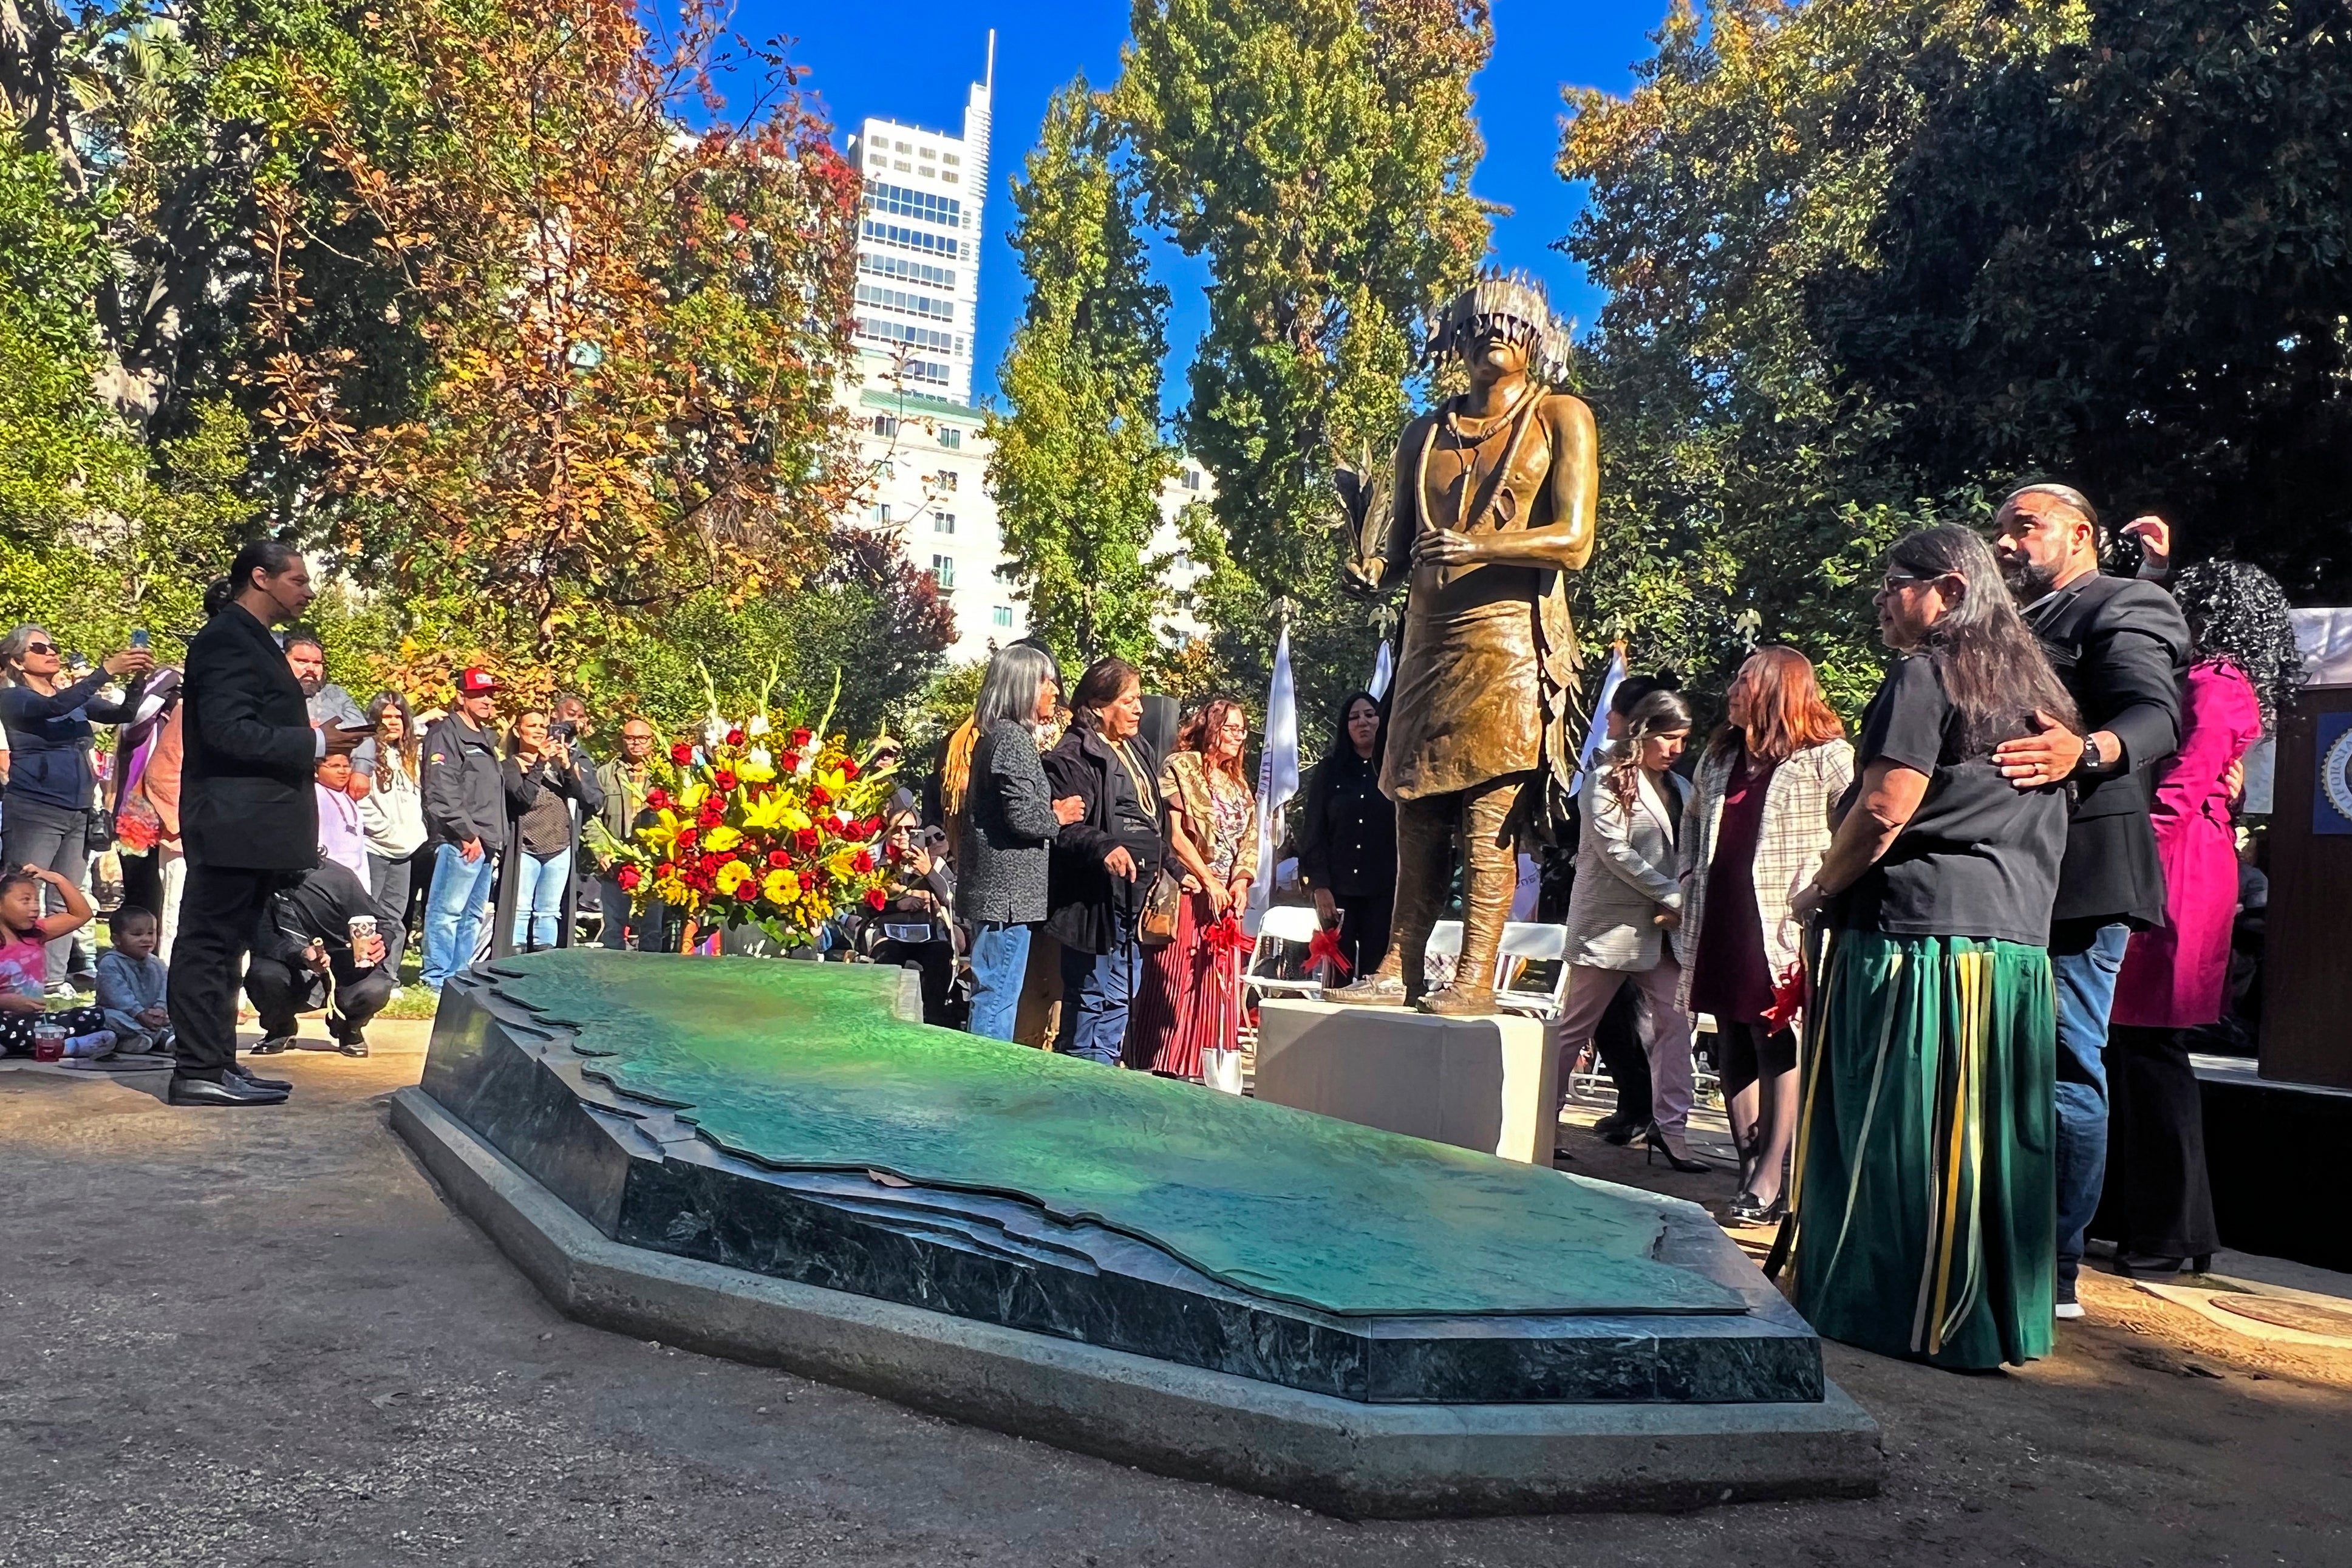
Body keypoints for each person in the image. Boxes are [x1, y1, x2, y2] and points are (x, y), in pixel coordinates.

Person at [1785, 524, 2076, 1370]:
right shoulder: (2035, 685)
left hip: (1922, 944)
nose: (1880, 599)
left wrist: (1823, 886)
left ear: (1947, 589)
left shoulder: (1925, 672)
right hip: (2012, 949)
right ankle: (1985, 1319)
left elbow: (1884, 806)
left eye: (1892, 583)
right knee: (1991, 1140)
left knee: (1901, 1131)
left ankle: (1892, 1310)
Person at [1330, 274, 1597, 1015]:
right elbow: (1405, 548)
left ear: (1538, 339)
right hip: (1427, 647)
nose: (1496, 337)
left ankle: (1475, 973)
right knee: (1414, 815)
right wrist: (1371, 569)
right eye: (1481, 325)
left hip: (1512, 647)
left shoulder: (1561, 416)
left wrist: (1479, 544)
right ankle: (1397, 964)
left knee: (1489, 819)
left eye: (1513, 325)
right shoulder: (1426, 432)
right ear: (1457, 339)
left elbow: (1575, 541)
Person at [1988, 483, 2192, 1321]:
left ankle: (2053, 1263)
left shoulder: (2123, 601)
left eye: (2023, 526)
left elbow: (2155, 714)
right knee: (2002, 1062)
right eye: (1998, 528)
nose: (2004, 541)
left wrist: (2090, 750)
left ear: (2081, 535)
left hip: (2083, 876)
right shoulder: (2010, 624)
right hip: (2006, 873)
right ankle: (1990, 1240)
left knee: (2068, 1061)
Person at [2101, 559, 2303, 1277]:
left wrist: (2127, 868)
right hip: (2187, 864)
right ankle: (2155, 1223)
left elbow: (2181, 788)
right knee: (2137, 1049)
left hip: (2173, 873)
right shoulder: (2228, 683)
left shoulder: (2213, 681)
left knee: (2150, 1050)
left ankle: (2170, 1230)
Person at [167, 539, 369, 1106]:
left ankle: (218, 1063)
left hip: (252, 828)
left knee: (230, 947)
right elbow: (228, 732)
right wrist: (315, 740)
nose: (308, 591)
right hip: (234, 822)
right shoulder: (226, 639)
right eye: (298, 580)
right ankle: (197, 1069)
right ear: (260, 577)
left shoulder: (252, 640)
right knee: (208, 946)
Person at [1674, 649, 1852, 1224]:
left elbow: (1857, 830)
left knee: (1774, 1033)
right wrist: (1684, 873)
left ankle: (1774, 1173)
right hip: (1720, 911)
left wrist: (1821, 888)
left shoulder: (1826, 758)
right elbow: (1694, 820)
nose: (1731, 689)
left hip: (1781, 919)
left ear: (1777, 690)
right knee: (1730, 1033)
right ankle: (1748, 1163)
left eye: (1743, 680)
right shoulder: (1720, 755)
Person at [1547, 690, 1702, 1169]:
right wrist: (1674, 894)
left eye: (1683, 739)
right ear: (1642, 732)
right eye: (1668, 738)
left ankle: (1671, 1130)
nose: (1676, 748)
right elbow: (1616, 852)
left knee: (1678, 1026)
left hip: (1668, 935)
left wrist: (1691, 894)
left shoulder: (1684, 788)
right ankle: (1540, 1122)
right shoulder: (1603, 782)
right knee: (1574, 1029)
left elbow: (1694, 851)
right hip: (1609, 929)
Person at [0, 625, 152, 989]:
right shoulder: (13, 698)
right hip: (34, 808)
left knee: (65, 896)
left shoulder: (71, 696)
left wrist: (137, 679)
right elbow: (53, 707)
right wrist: (105, 670)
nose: (52, 652)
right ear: (18, 661)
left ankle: (52, 981)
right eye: (40, 648)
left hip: (79, 811)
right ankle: (17, 980)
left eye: (54, 646)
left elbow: (122, 714)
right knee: (23, 894)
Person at [1129, 698, 1258, 1080]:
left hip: (1225, 902)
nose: (1238, 736)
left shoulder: (1238, 782)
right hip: (1189, 892)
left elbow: (1249, 839)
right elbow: (1174, 836)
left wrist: (1240, 881)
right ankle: (1163, 1064)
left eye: (1242, 730)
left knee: (1215, 983)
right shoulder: (1181, 767)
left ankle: (1207, 1069)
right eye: (1230, 728)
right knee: (1178, 977)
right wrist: (1209, 880)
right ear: (1210, 728)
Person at [1042, 658, 1161, 1066]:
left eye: (1139, 700)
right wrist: (1104, 847)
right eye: (1128, 700)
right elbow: (1067, 825)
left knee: (1122, 990)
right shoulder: (1073, 754)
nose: (1138, 709)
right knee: (1091, 991)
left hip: (1136, 896)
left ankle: (1105, 1070)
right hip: (1095, 898)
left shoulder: (1137, 748)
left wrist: (1176, 870)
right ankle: (1079, 1078)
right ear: (1097, 703)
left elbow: (1151, 817)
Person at [958, 645, 1080, 1040]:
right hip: (1006, 899)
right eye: (1047, 682)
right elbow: (1022, 817)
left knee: (994, 995)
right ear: (1023, 687)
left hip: (1002, 896)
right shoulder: (1011, 740)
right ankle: (985, 1090)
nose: (1055, 692)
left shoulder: (998, 736)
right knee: (996, 998)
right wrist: (1057, 817)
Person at [244, 860, 394, 1057]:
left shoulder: (336, 878)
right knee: (263, 974)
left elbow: (381, 922)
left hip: (342, 970)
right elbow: (261, 937)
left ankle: (349, 1028)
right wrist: (300, 954)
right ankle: (280, 1027)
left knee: (376, 987)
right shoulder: (257, 880)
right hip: (291, 968)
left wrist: (381, 942)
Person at [1296, 691, 1397, 981]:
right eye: (1354, 717)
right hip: (1337, 893)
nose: (1363, 722)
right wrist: (1320, 885)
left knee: (1375, 975)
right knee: (1335, 978)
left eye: (1369, 715)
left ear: (1382, 720)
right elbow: (1313, 830)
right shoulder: (1330, 771)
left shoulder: (1396, 769)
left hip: (1383, 891)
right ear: (1346, 726)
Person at [419, 668, 506, 993]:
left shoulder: (484, 736)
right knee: (447, 912)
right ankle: (437, 977)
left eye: (489, 694)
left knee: (471, 916)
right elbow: (440, 791)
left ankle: (460, 977)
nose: (486, 700)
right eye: (477, 695)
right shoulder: (445, 734)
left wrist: (487, 840)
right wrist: (466, 834)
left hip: (486, 841)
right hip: (461, 841)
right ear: (460, 697)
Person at [502, 709, 601, 952]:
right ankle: (515, 961)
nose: (538, 731)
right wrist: (539, 764)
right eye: (532, 725)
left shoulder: (556, 767)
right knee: (521, 908)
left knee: (549, 911)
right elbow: (523, 797)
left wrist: (567, 767)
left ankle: (542, 964)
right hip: (526, 846)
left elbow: (586, 800)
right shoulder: (509, 765)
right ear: (518, 731)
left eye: (542, 726)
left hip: (559, 846)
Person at [856, 794, 959, 1025]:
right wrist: (896, 903)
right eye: (897, 830)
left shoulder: (933, 862)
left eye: (910, 829)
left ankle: (935, 1021)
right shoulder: (876, 862)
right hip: (888, 934)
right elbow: (861, 904)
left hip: (928, 934)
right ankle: (883, 1022)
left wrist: (928, 872)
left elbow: (952, 899)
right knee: (888, 960)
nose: (903, 835)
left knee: (940, 958)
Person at [0, 865, 115, 1058]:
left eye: (36, 900)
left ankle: (23, 1046)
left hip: (35, 1022)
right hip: (4, 1021)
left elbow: (80, 915)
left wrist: (57, 879)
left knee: (99, 1016)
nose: (35, 907)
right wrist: (5, 1002)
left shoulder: (35, 934)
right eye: (25, 900)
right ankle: (68, 1047)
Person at [356, 691, 428, 958]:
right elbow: (361, 802)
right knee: (368, 915)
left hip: (404, 850)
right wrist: (387, 831)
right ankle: (363, 973)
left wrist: (410, 835)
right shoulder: (364, 755)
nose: (394, 722)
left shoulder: (408, 756)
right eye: (387, 716)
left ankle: (389, 975)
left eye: (399, 716)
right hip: (374, 847)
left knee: (395, 919)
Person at [593, 716, 669, 952]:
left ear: (652, 741)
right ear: (622, 741)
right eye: (630, 738)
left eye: (642, 738)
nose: (636, 743)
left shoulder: (665, 775)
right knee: (614, 929)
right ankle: (614, 981)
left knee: (652, 930)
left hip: (653, 863)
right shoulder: (605, 775)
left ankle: (648, 982)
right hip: (615, 862)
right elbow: (593, 818)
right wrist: (601, 850)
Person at [282, 627, 375, 781]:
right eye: (302, 661)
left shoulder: (335, 695)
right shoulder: (268, 695)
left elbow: (362, 733)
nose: (311, 669)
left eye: (317, 663)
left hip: (333, 786)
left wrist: (361, 772)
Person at [96, 904, 173, 1054]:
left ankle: (152, 1037)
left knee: (182, 1015)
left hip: (153, 1017)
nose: (146, 939)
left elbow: (166, 989)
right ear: (116, 939)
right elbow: (117, 995)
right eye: (137, 935)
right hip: (127, 1015)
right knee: (106, 1017)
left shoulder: (157, 963)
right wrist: (139, 1013)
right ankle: (155, 1037)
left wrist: (160, 1010)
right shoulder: (110, 962)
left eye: (151, 933)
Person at [314, 751, 369, 881]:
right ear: (316, 770)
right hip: (327, 875)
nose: (342, 771)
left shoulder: (349, 795)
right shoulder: (315, 794)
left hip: (357, 876)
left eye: (346, 766)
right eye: (334, 766)